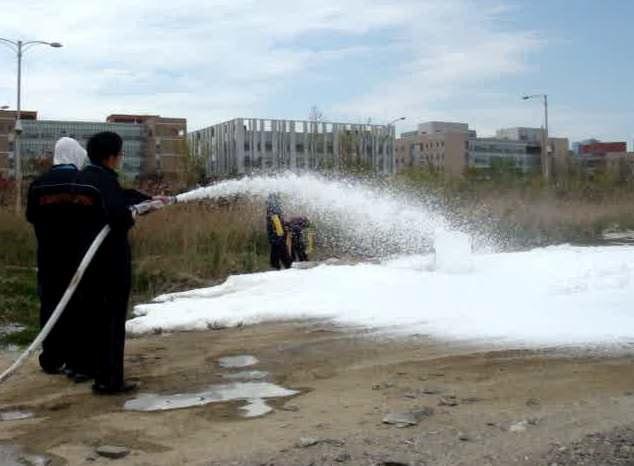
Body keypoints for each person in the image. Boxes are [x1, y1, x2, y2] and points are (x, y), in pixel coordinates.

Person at [76, 131, 162, 394]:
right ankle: (110, 380)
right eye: (120, 154)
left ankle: (99, 372)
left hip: (91, 263)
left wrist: (144, 199)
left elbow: (119, 198)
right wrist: (139, 210)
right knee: (112, 322)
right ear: (111, 156)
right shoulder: (104, 180)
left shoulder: (86, 178)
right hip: (111, 263)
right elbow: (118, 215)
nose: (121, 158)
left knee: (97, 321)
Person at [26, 137, 88, 375]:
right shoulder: (81, 181)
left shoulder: (38, 184)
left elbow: (31, 216)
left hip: (49, 256)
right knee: (77, 306)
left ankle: (51, 358)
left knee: (50, 304)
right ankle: (75, 360)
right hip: (78, 257)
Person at [266, 193, 291, 270]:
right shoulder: (274, 209)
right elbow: (277, 219)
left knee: (278, 247)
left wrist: (280, 234)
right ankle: (285, 265)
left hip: (276, 234)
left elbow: (276, 219)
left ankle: (278, 266)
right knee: (280, 247)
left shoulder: (273, 209)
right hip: (277, 233)